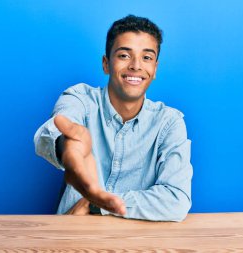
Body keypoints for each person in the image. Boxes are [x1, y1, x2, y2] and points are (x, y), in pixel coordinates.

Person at [34, 15, 193, 221]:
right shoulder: (80, 99)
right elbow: (52, 134)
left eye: (146, 57)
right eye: (124, 55)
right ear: (106, 64)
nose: (136, 66)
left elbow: (176, 199)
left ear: (155, 69)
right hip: (72, 238)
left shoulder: (170, 122)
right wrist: (69, 148)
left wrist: (95, 204)